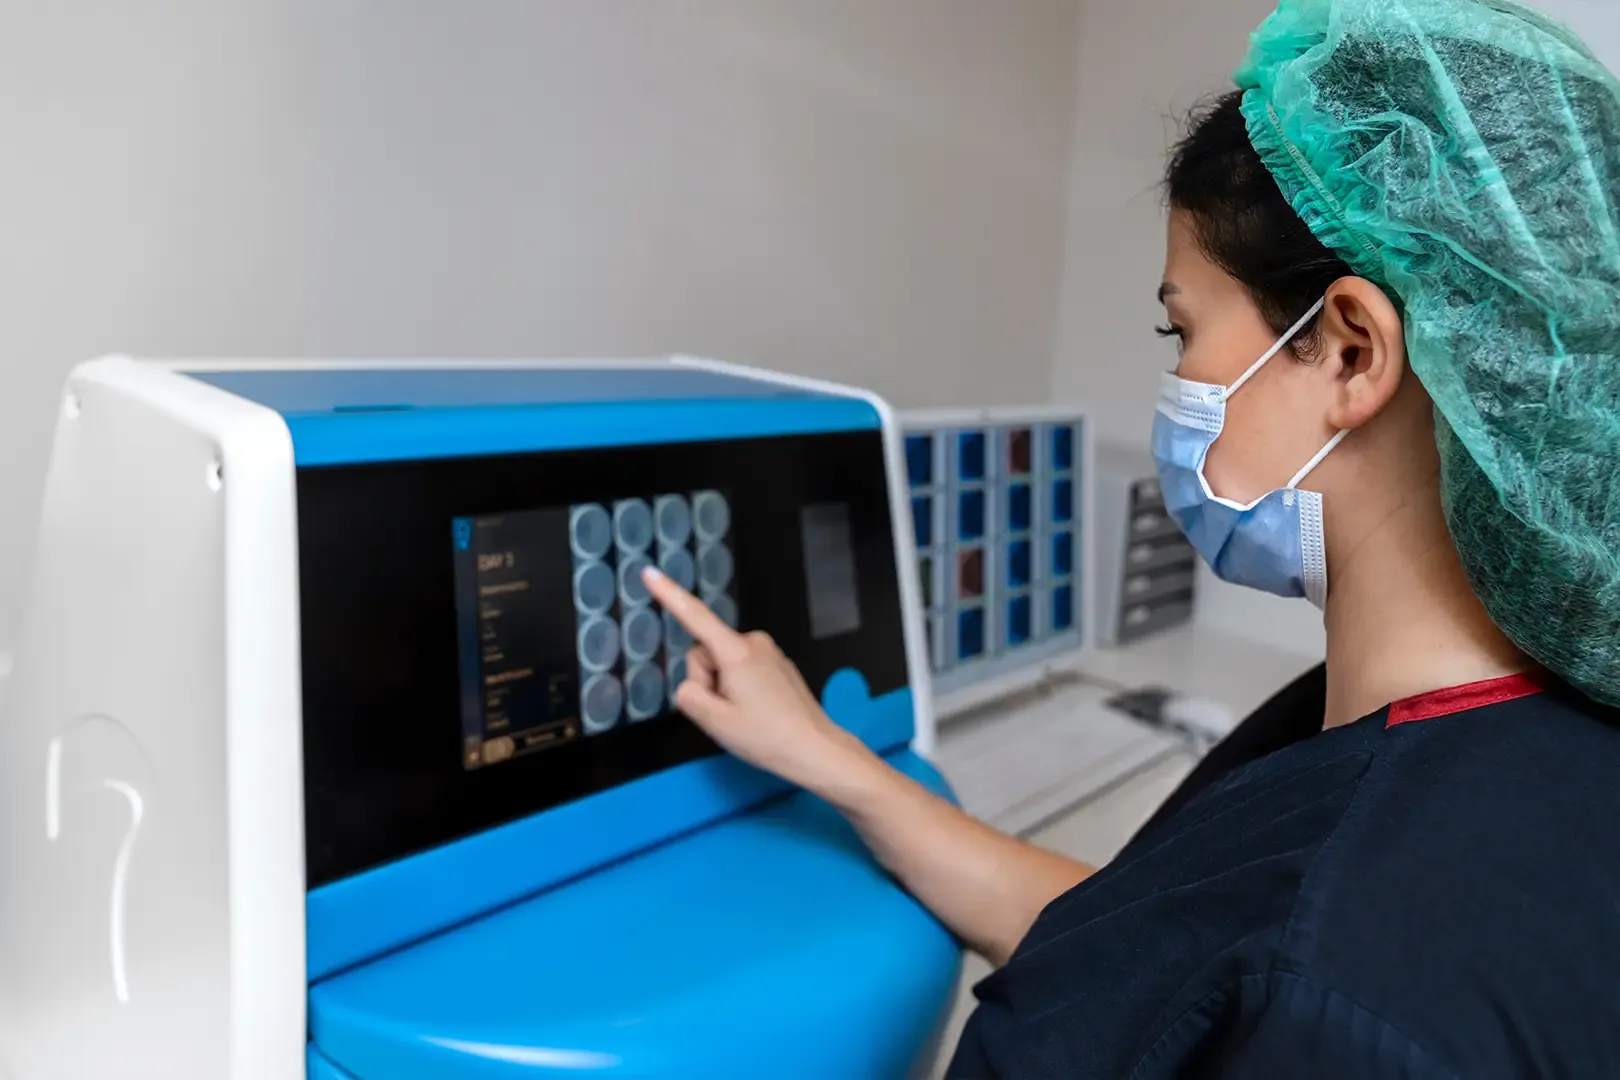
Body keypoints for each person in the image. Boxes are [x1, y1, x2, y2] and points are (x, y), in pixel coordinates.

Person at [646, 0, 1620, 1074]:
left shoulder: (1336, 993)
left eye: (1182, 329)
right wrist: (837, 766)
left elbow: (1259, 982)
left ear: (1350, 353)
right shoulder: (1514, 743)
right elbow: (1153, 971)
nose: (1178, 376)